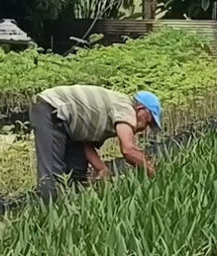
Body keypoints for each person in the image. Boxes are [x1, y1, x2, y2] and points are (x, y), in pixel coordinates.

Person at [29, 84, 162, 201]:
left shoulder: (116, 113)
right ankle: (49, 216)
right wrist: (153, 174)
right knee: (52, 174)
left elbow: (86, 141)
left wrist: (101, 168)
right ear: (140, 110)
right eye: (148, 122)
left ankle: (71, 214)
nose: (146, 128)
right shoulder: (125, 108)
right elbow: (128, 150)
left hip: (71, 127)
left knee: (77, 172)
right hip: (52, 109)